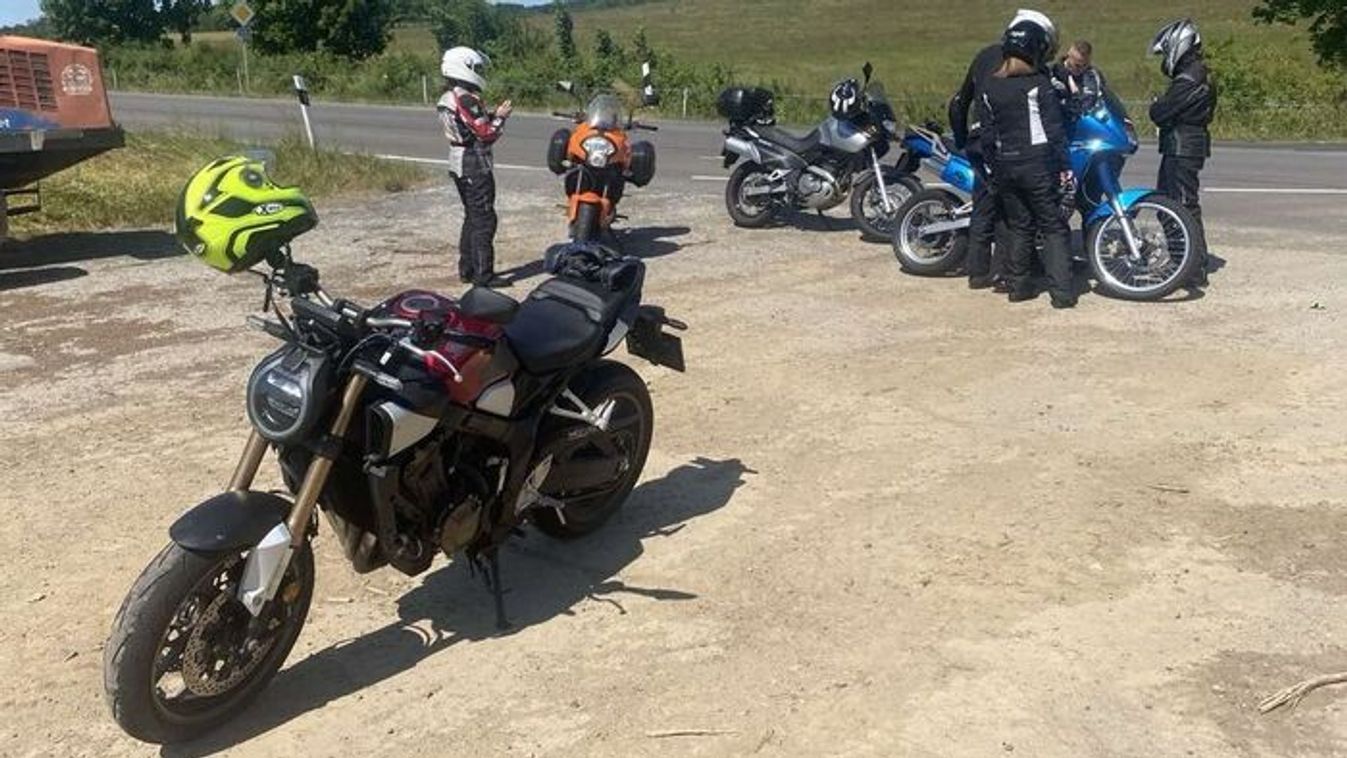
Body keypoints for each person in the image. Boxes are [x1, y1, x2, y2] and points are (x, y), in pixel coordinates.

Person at [949, 9, 1057, 292]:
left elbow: (959, 101)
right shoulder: (1029, 64)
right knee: (1013, 211)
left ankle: (977, 272)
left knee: (983, 205)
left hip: (978, 140)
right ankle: (1008, 275)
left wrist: (962, 140)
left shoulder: (984, 55)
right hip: (1006, 143)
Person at [979, 14, 1077, 309]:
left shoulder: (989, 86)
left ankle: (1019, 287)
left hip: (1005, 165)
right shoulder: (1039, 85)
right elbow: (1054, 131)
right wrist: (1065, 166)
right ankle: (1062, 293)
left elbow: (987, 136)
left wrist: (994, 168)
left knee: (1019, 225)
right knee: (1053, 226)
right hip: (1036, 165)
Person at [438, 46, 513, 286]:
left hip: (459, 160)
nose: (479, 73)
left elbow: (469, 123)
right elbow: (486, 133)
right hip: (473, 163)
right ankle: (484, 275)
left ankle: (467, 269)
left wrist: (490, 114)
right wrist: (501, 117)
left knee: (472, 216)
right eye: (475, 68)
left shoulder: (449, 96)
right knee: (484, 220)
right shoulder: (466, 98)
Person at [1149, 19, 1216, 287]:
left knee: (1181, 206)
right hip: (1187, 144)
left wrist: (1158, 105)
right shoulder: (1199, 73)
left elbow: (1160, 112)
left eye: (1166, 51)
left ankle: (1191, 267)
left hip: (1183, 145)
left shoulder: (1189, 77)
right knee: (1172, 205)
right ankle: (1186, 262)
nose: (1165, 58)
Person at [1052, 40, 1130, 122]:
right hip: (1061, 121)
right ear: (1069, 57)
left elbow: (1107, 97)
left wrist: (1123, 118)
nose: (1081, 69)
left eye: (1085, 65)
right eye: (1077, 65)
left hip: (1086, 121)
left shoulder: (1093, 75)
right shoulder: (1053, 73)